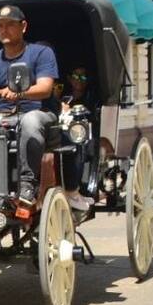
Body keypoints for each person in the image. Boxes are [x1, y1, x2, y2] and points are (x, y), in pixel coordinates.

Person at [0, 4, 60, 209]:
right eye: (0, 26)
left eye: (10, 25)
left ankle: (27, 184)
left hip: (39, 113)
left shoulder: (42, 53)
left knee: (30, 120)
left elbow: (45, 88)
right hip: (2, 117)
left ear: (23, 26)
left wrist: (20, 93)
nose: (4, 30)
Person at [55, 67, 93, 212]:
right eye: (76, 77)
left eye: (83, 78)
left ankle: (75, 190)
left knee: (79, 141)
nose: (79, 81)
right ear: (70, 79)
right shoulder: (63, 96)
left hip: (82, 131)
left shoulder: (90, 96)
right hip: (63, 128)